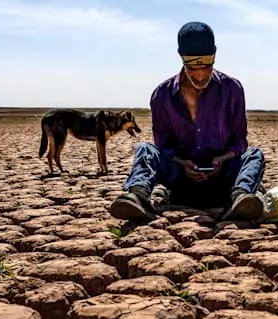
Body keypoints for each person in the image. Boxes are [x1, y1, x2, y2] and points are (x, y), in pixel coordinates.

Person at [109, 21, 267, 223]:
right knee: (145, 150)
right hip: (181, 178)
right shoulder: (162, 95)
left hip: (222, 178)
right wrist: (183, 163)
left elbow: (239, 142)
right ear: (181, 58)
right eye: (192, 68)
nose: (200, 75)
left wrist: (222, 159)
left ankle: (241, 199)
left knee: (254, 155)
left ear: (215, 56)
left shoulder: (232, 89)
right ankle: (137, 196)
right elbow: (163, 146)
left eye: (206, 67)